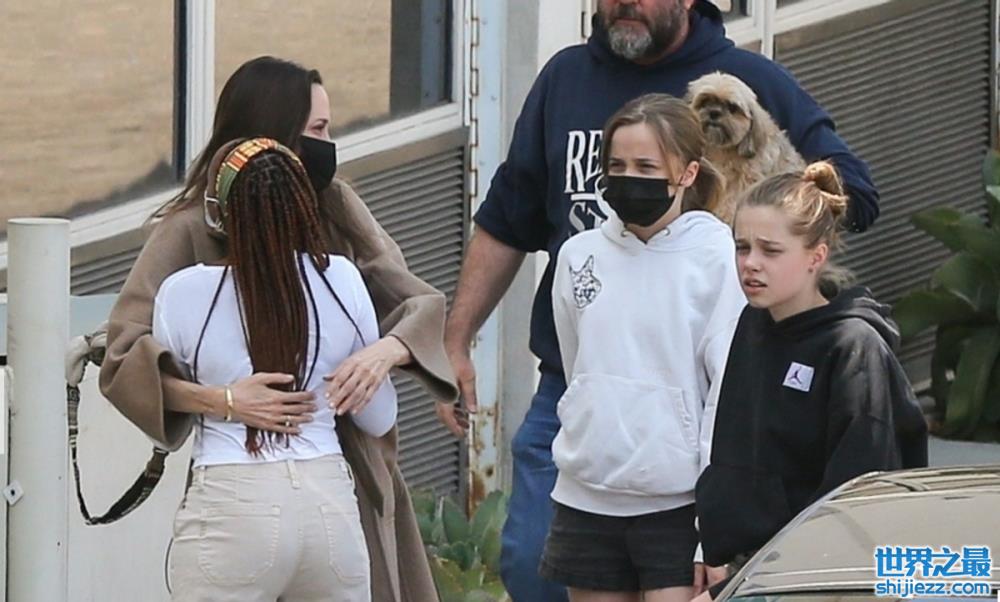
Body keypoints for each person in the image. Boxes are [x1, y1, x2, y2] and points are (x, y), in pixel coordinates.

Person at [439, 1, 878, 600]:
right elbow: (506, 218)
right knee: (531, 571)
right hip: (576, 395)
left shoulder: (749, 82)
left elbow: (852, 193)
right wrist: (456, 338)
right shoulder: (564, 79)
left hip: (692, 406)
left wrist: (770, 220)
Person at [99, 56, 455, 602]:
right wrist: (222, 400)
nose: (328, 145)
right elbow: (124, 356)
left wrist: (384, 352)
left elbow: (415, 300)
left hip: (348, 470)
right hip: (254, 479)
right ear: (273, 134)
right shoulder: (189, 230)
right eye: (318, 129)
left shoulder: (335, 207)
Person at [156, 137, 396, 601]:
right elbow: (379, 418)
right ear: (304, 205)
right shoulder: (343, 280)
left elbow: (162, 411)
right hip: (329, 507)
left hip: (231, 505)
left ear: (220, 213)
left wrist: (225, 400)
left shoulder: (182, 293)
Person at [540, 94, 745, 602]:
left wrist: (713, 531)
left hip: (677, 509)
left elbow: (728, 398)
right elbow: (577, 363)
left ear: (688, 173)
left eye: (646, 167)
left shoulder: (720, 258)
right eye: (617, 166)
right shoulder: (577, 255)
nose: (629, 178)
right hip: (585, 500)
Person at [693, 162, 929, 601]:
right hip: (750, 568)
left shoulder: (853, 346)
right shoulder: (752, 323)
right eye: (742, 247)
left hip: (819, 577)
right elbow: (735, 450)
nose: (750, 264)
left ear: (816, 257)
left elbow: (858, 491)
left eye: (770, 250)